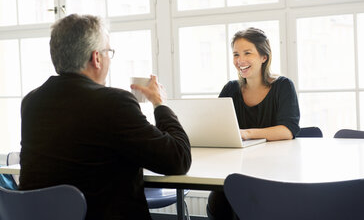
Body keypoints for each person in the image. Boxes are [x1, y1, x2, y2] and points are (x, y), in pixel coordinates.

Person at [19, 14, 191, 220]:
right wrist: (159, 104)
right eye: (108, 51)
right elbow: (178, 159)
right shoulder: (113, 102)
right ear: (96, 58)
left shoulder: (31, 102)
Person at [206, 27, 300, 220]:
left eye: (247, 53)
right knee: (218, 207)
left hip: (273, 172)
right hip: (235, 170)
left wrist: (246, 133)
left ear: (263, 57)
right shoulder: (231, 89)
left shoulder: (283, 86)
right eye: (236, 54)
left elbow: (287, 130)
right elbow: (216, 126)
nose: (240, 60)